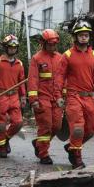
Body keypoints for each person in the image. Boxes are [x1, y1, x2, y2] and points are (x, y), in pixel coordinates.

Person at [62, 20, 94, 169]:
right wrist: (59, 96)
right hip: (73, 97)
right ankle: (76, 158)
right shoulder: (67, 55)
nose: (84, 38)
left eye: (86, 35)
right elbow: (60, 77)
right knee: (78, 128)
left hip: (89, 97)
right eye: (81, 35)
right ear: (75, 37)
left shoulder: (93, 55)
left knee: (91, 130)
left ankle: (72, 146)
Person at [29, 29, 66, 165]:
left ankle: (38, 143)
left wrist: (63, 95)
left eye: (54, 44)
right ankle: (43, 154)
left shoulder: (60, 58)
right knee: (46, 126)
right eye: (50, 44)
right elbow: (32, 80)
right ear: (43, 44)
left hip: (56, 98)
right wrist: (33, 100)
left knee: (56, 126)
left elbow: (63, 78)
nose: (52, 47)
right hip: (42, 98)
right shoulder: (37, 58)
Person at [0, 34, 27, 158]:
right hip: (1, 95)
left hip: (14, 96)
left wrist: (23, 97)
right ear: (5, 47)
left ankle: (5, 139)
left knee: (18, 123)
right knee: (1, 123)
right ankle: (1, 146)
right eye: (10, 47)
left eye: (15, 47)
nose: (12, 49)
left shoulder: (20, 63)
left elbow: (21, 81)